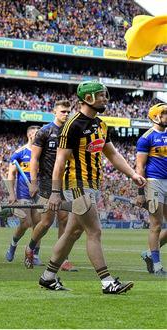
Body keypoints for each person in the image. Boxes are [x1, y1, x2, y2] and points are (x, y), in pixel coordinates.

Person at [40, 81, 146, 294]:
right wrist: (54, 192)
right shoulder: (72, 125)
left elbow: (112, 154)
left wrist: (133, 174)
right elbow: (60, 162)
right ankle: (107, 282)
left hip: (92, 184)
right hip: (77, 184)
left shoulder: (100, 124)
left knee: (72, 232)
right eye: (101, 96)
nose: (105, 99)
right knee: (94, 231)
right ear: (88, 99)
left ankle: (48, 277)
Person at [25, 100, 77, 271]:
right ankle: (30, 247)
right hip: (48, 182)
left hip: (67, 182)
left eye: (68, 112)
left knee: (64, 220)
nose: (66, 114)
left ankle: (63, 259)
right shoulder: (45, 131)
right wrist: (33, 182)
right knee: (47, 222)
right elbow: (34, 159)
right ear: (54, 112)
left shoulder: (71, 132)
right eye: (63, 111)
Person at [136, 103, 167, 276]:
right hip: (154, 182)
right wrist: (140, 193)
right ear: (156, 116)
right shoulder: (146, 138)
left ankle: (148, 254)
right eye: (165, 113)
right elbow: (139, 167)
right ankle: (157, 266)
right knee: (156, 224)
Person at [5, 126, 42, 264]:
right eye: (36, 134)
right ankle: (13, 245)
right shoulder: (19, 153)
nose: (39, 135)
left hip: (39, 193)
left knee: (39, 225)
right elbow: (11, 174)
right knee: (26, 223)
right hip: (23, 193)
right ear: (30, 135)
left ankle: (34, 255)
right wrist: (11, 194)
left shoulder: (42, 153)